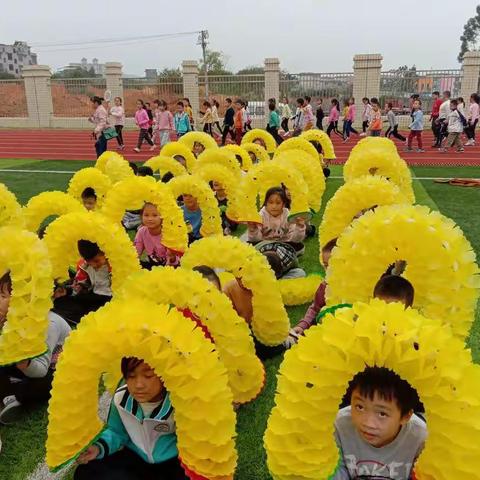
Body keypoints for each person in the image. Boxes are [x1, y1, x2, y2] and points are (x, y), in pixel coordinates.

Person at [74, 357, 187, 480]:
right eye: (131, 376)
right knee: (87, 472)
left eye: (148, 376)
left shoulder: (179, 402)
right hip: (135, 458)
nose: (138, 385)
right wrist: (98, 448)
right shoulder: (121, 398)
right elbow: (116, 431)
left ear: (163, 374)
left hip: (175, 462)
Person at [0, 272, 71, 424]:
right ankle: (13, 389)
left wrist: (23, 363)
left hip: (54, 368)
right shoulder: (15, 320)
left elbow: (41, 369)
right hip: (27, 363)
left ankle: (17, 396)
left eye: (3, 296)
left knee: (46, 384)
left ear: (22, 301)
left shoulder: (48, 324)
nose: (0, 300)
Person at [333, 366, 427, 480]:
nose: (367, 423)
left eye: (382, 414)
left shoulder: (420, 439)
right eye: (360, 407)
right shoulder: (338, 426)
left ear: (406, 416)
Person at [52, 240, 112, 326]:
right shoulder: (85, 267)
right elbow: (78, 284)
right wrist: (69, 290)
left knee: (99, 314)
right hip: (91, 297)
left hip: (109, 300)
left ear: (105, 253)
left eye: (96, 261)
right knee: (60, 302)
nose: (94, 265)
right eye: (89, 262)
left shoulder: (115, 266)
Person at [134, 203, 180, 270]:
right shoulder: (141, 231)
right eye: (146, 215)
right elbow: (136, 253)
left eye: (155, 215)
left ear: (162, 217)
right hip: (154, 265)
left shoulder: (168, 232)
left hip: (172, 266)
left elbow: (173, 260)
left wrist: (172, 257)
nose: (150, 219)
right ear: (141, 217)